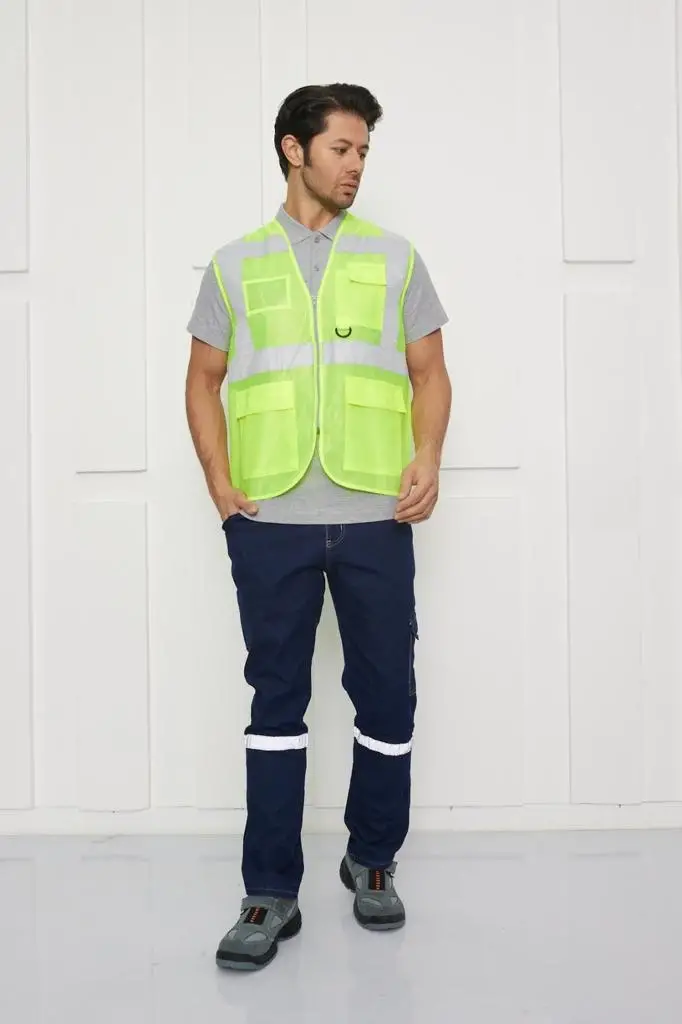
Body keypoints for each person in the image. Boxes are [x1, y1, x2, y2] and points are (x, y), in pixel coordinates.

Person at [185, 83, 452, 972]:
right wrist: (220, 485)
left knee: (388, 699)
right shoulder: (234, 265)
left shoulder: (395, 258)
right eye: (343, 148)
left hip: (375, 513)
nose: (357, 165)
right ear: (293, 150)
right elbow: (203, 380)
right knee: (276, 703)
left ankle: (372, 858)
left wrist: (428, 457)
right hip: (270, 520)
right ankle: (270, 890)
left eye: (364, 151)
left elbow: (430, 373)